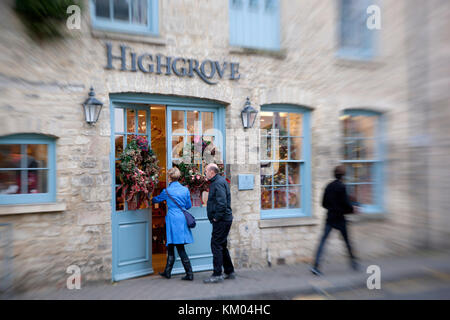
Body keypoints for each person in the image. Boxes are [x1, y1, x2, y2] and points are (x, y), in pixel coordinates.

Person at [310, 165, 360, 276]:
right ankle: (354, 262)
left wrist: (332, 207)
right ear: (343, 176)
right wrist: (353, 209)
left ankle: (315, 266)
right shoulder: (342, 187)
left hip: (330, 218)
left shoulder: (328, 186)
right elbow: (346, 205)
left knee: (322, 242)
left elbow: (323, 203)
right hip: (340, 219)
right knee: (347, 242)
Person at [152, 167, 194, 281]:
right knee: (172, 244)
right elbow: (188, 206)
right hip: (181, 218)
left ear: (169, 177)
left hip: (172, 219)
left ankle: (189, 274)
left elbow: (156, 200)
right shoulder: (185, 190)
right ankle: (167, 272)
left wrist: (149, 196)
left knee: (178, 247)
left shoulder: (167, 191)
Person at [203, 163, 235, 284]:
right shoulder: (218, 182)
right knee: (222, 245)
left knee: (216, 245)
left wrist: (216, 218)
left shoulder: (218, 183)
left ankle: (217, 274)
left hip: (222, 220)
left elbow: (222, 203)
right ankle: (229, 271)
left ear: (212, 172)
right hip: (224, 219)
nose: (205, 173)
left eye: (206, 171)